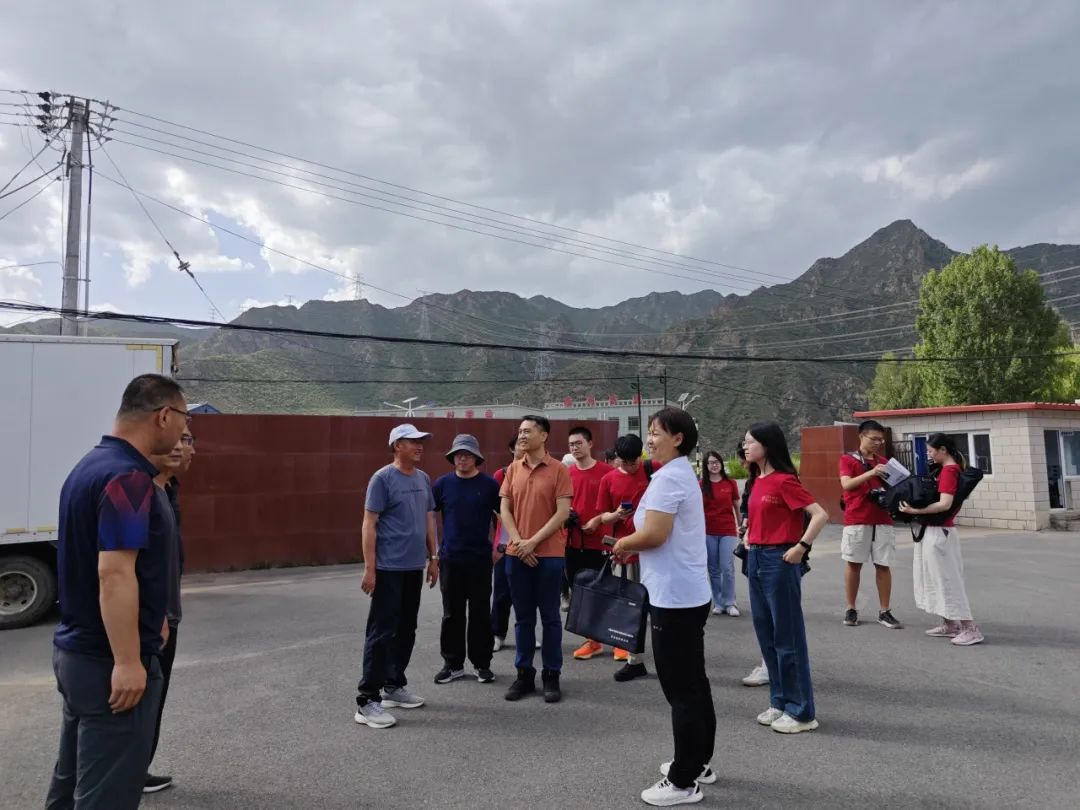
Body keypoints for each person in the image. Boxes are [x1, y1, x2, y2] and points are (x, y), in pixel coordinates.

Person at [45, 374, 188, 810]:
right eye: (182, 420)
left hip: (77, 654)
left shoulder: (90, 465)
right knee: (104, 796)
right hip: (107, 664)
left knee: (71, 784)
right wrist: (128, 662)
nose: (183, 431)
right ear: (163, 415)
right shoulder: (129, 478)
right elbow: (115, 573)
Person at [612, 408, 716, 807]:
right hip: (685, 592)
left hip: (675, 597)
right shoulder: (678, 473)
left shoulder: (670, 477)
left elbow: (654, 534)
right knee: (694, 682)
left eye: (656, 433)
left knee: (681, 688)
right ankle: (698, 762)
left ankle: (683, 781)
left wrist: (623, 544)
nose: (650, 440)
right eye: (649, 432)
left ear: (678, 438)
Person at [743, 421, 828, 734]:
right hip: (756, 558)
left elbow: (820, 515)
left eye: (750, 442)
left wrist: (801, 547)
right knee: (766, 633)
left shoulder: (784, 480)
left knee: (787, 636)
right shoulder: (757, 480)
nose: (745, 447)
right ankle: (779, 702)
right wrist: (748, 535)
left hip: (779, 560)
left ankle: (802, 712)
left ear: (767, 445)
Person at [354, 424, 440, 729]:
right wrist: (370, 568)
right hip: (388, 569)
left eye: (421, 441)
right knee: (381, 633)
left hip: (413, 567)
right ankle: (367, 701)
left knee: (406, 630)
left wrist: (433, 557)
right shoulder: (382, 479)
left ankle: (393, 685)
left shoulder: (423, 478)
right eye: (412, 441)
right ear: (396, 445)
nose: (419, 446)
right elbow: (369, 524)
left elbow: (428, 519)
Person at [499, 416, 573, 703]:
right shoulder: (512, 469)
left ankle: (551, 674)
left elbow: (562, 513)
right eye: (520, 431)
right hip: (516, 554)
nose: (522, 435)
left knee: (551, 618)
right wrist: (520, 542)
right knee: (523, 619)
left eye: (528, 431)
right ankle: (524, 674)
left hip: (550, 556)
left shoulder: (558, 470)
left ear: (544, 436)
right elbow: (505, 510)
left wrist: (533, 543)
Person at [144, 425, 196, 795]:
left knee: (153, 702)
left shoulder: (167, 489)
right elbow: (119, 570)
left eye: (187, 439)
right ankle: (127, 773)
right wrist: (155, 615)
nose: (181, 447)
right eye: (176, 438)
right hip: (152, 624)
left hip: (166, 618)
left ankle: (138, 768)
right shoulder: (142, 491)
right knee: (141, 703)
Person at [899, 433, 984, 646]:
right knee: (939, 578)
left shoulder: (948, 471)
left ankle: (970, 628)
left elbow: (945, 503)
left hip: (940, 533)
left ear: (943, 450)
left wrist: (914, 510)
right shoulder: (949, 469)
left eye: (930, 451)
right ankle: (950, 623)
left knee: (947, 580)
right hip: (938, 531)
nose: (928, 454)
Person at [432, 434, 501, 685]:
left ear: (476, 458)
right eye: (458, 454)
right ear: (453, 457)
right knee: (452, 613)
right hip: (450, 558)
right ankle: (453, 664)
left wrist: (500, 547)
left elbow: (503, 517)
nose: (462, 458)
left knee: (480, 613)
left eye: (468, 454)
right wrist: (434, 550)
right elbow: (430, 516)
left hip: (480, 559)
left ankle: (482, 664)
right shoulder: (442, 484)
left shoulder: (490, 485)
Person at [587, 433, 655, 679]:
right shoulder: (608, 480)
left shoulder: (653, 470)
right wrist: (616, 515)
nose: (629, 466)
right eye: (624, 462)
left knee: (658, 608)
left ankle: (666, 657)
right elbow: (602, 517)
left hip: (654, 549)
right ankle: (634, 659)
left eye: (633, 462)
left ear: (641, 456)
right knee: (629, 607)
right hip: (624, 552)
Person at [839, 419, 902, 630]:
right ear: (861, 436)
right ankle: (851, 608)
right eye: (874, 438)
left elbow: (897, 488)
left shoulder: (884, 462)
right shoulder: (848, 459)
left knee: (884, 565)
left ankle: (885, 611)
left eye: (880, 440)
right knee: (853, 564)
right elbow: (847, 484)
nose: (877, 443)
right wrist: (871, 473)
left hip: (883, 519)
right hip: (857, 518)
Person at [565, 426, 613, 660]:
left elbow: (616, 507)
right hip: (573, 543)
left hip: (601, 543)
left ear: (590, 444)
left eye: (579, 443)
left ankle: (616, 639)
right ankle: (593, 641)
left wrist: (598, 520)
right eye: (571, 444)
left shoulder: (607, 472)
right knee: (580, 594)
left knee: (604, 593)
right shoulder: (567, 474)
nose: (575, 448)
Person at [491, 437, 522, 652]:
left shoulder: (541, 472)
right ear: (512, 449)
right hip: (505, 542)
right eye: (520, 443)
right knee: (502, 592)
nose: (524, 447)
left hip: (532, 541)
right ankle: (497, 633)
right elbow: (496, 511)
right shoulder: (501, 475)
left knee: (526, 592)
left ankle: (526, 633)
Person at [701, 451, 741, 617]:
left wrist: (742, 526)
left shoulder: (730, 483)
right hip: (708, 531)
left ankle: (730, 602)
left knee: (727, 567)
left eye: (717, 462)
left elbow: (737, 507)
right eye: (710, 462)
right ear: (706, 466)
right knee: (713, 569)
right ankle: (718, 602)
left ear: (721, 464)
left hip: (727, 530)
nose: (714, 465)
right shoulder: (701, 485)